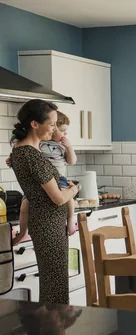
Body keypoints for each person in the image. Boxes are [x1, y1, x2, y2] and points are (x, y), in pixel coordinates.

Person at [10, 100, 79, 305]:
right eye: (51, 124)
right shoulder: (34, 157)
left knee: (51, 283)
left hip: (44, 224)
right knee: (55, 286)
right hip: (49, 225)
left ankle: (51, 333)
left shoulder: (20, 151)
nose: (54, 129)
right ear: (34, 124)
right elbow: (58, 198)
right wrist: (75, 189)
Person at [10, 111, 78, 245]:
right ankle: (22, 233)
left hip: (60, 179)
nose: (65, 134)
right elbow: (28, 161)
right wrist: (11, 160)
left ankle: (70, 221)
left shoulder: (62, 146)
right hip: (41, 183)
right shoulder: (38, 144)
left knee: (68, 198)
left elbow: (71, 161)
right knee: (24, 205)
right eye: (62, 130)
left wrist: (69, 148)